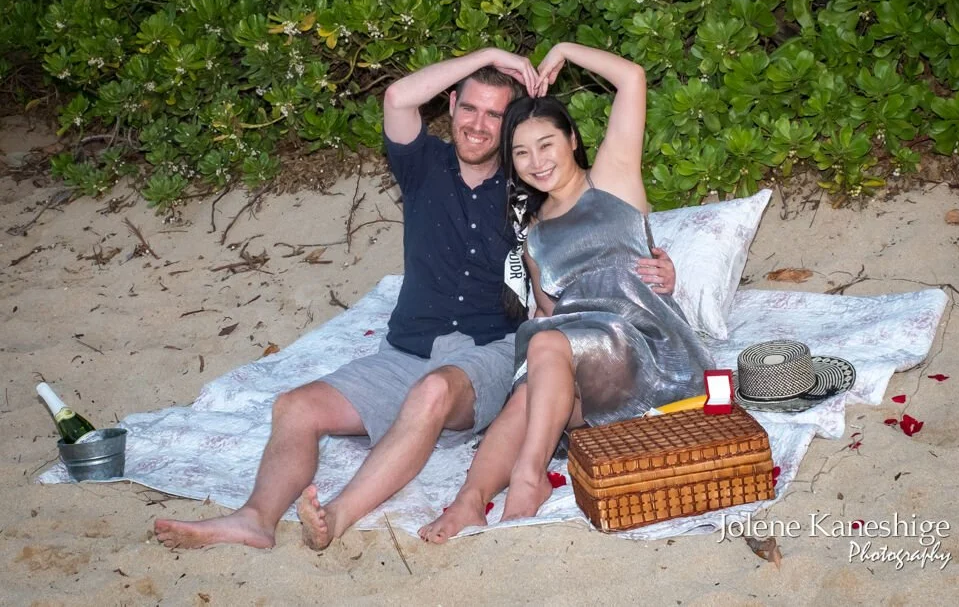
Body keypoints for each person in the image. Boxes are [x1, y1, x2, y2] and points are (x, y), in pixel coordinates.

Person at [153, 48, 677, 550]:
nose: (477, 123)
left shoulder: (526, 192)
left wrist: (658, 270)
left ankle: (337, 515)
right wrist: (486, 56)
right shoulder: (423, 164)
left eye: (495, 116)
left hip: (485, 351)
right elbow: (399, 98)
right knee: (295, 406)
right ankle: (255, 519)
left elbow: (589, 252)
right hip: (407, 348)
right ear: (448, 105)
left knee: (433, 392)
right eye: (467, 106)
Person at [419, 43, 715, 543]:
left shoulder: (613, 181)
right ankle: (469, 501)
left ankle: (528, 478)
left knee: (544, 343)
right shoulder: (534, 235)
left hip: (649, 353)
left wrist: (563, 51)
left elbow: (633, 77)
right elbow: (553, 312)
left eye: (546, 144)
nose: (536, 161)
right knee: (532, 380)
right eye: (521, 152)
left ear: (572, 140)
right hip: (589, 376)